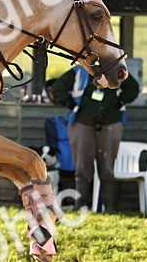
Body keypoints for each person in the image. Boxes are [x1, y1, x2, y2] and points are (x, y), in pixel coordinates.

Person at [50, 64, 140, 211]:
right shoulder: (79, 70)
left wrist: (120, 102)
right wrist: (72, 105)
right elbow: (58, 88)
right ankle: (80, 206)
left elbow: (133, 88)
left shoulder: (117, 69)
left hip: (111, 121)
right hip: (82, 122)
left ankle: (109, 207)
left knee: (107, 167)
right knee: (82, 166)